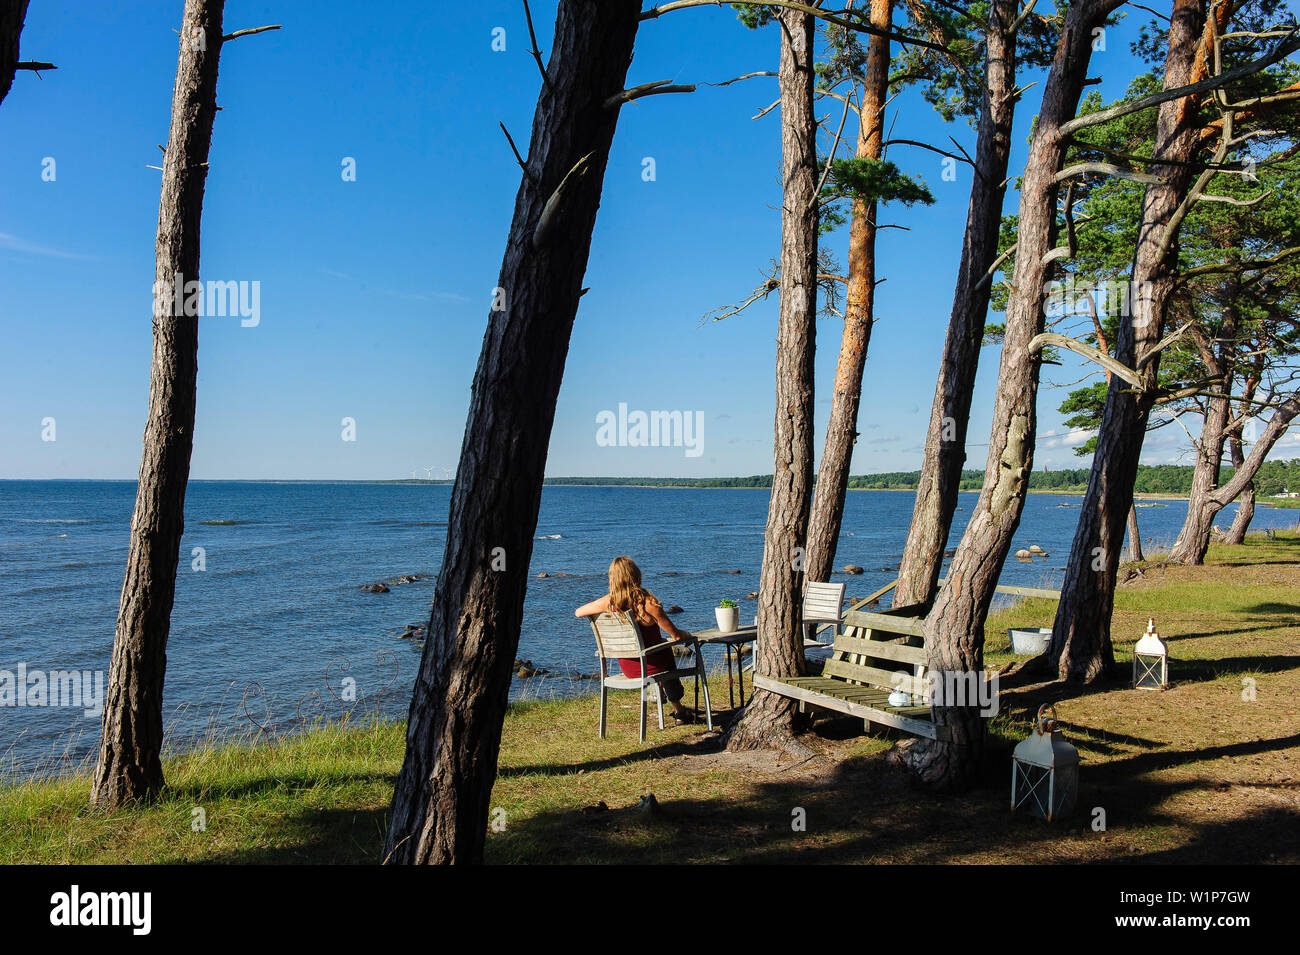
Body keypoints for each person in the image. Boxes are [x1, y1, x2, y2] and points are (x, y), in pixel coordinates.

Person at [575, 555, 697, 725]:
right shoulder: (649, 603)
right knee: (665, 647)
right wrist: (688, 635)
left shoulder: (609, 603)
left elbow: (578, 612)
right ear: (636, 574)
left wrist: (604, 602)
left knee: (659, 647)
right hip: (652, 665)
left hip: (629, 668)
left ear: (613, 579)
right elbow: (676, 635)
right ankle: (678, 709)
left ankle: (663, 696)